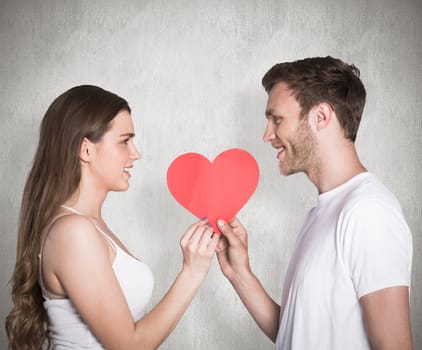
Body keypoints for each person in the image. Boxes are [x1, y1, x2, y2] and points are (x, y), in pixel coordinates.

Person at [216, 56, 413, 349]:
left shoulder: (368, 212)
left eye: (277, 119)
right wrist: (240, 274)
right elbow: (297, 332)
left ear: (321, 116)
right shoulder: (322, 213)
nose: (267, 134)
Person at [5, 85, 220, 350]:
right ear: (86, 150)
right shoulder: (72, 231)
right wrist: (192, 272)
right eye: (124, 141)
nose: (136, 153)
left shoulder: (87, 226)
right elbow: (129, 346)